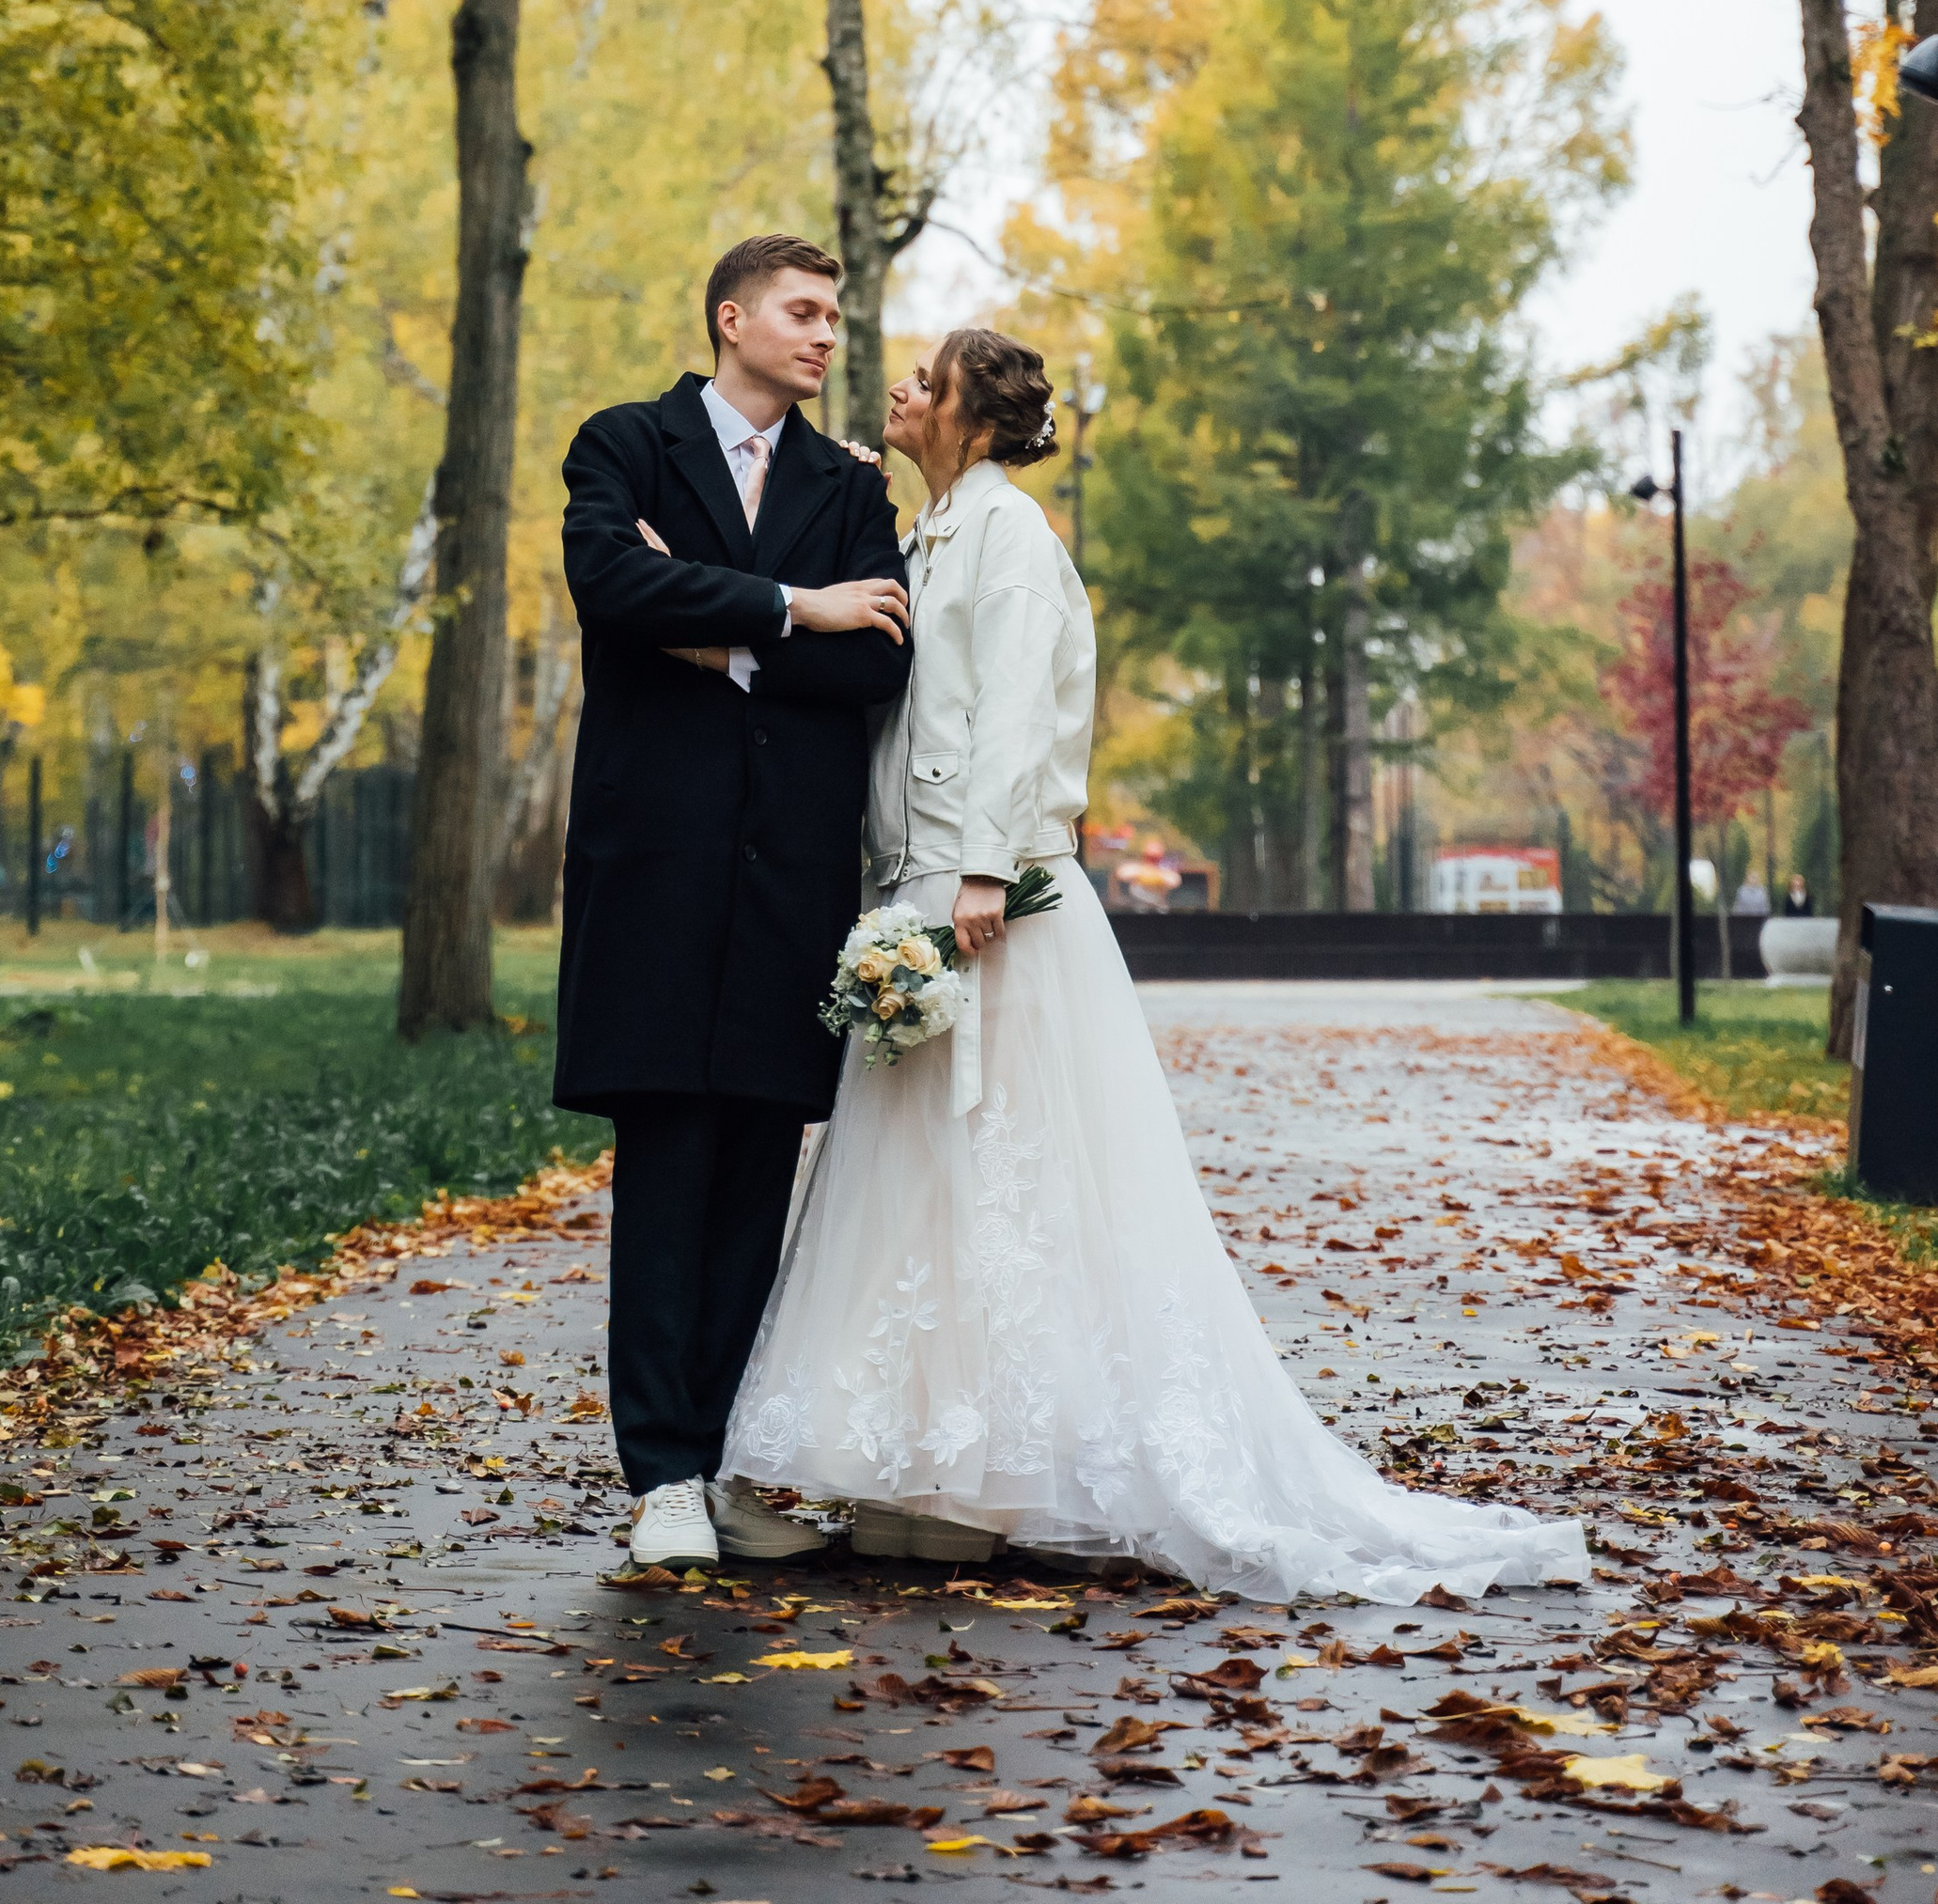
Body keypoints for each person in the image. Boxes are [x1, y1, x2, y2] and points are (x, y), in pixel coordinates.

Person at [722, 324, 1590, 1604]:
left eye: (924, 379)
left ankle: (982, 1478)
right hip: (919, 890)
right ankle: (914, 1473)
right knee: (922, 1186)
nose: (898, 389)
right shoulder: (932, 530)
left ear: (969, 411)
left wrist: (978, 870)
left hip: (991, 900)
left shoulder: (1012, 542)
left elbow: (1015, 710)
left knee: (996, 1176)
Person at [555, 231, 914, 1573]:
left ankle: (716, 1459)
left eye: (834, 316)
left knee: (756, 1170)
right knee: (664, 1167)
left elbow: (876, 663)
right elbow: (609, 582)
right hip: (655, 865)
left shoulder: (845, 483)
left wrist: (721, 638)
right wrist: (792, 606)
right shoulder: (626, 446)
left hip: (786, 881)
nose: (826, 336)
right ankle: (658, 1474)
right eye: (803, 312)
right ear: (731, 318)